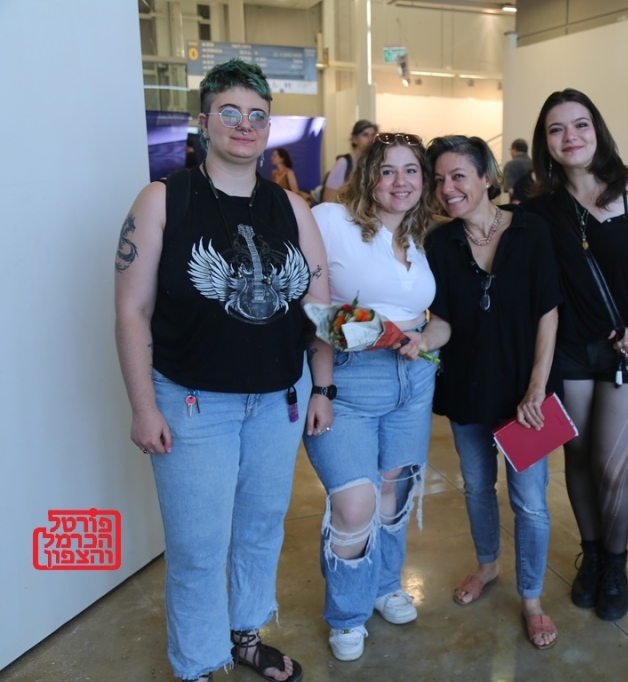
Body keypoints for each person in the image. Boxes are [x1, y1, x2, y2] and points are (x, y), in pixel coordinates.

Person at [114, 58, 334, 682]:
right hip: (191, 402)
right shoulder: (164, 199)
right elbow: (131, 310)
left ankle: (244, 636)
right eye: (230, 112)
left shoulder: (293, 207)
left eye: (258, 115)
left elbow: (320, 310)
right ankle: (197, 662)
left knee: (260, 528)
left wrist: (322, 386)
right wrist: (143, 406)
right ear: (204, 121)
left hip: (278, 401)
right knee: (197, 544)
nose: (245, 124)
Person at [522, 89, 628, 622]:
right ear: (545, 142)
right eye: (556, 129)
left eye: (580, 124)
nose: (570, 136)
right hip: (570, 352)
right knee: (576, 458)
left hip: (626, 349)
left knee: (611, 466)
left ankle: (616, 566)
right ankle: (592, 556)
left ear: (597, 129)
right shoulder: (540, 209)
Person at [303, 131, 439, 663]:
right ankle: (347, 613)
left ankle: (384, 586)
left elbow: (437, 316)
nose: (400, 181)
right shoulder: (330, 221)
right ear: (367, 177)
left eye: (411, 170)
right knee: (354, 503)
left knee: (392, 496)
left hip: (414, 379)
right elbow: (308, 307)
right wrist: (323, 383)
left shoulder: (424, 234)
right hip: (349, 378)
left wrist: (426, 337)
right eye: (387, 170)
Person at [420, 135, 561, 649]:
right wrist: (418, 341)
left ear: (486, 177)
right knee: (478, 487)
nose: (447, 188)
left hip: (527, 395)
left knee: (531, 502)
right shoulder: (440, 243)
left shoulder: (530, 230)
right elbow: (444, 321)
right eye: (439, 180)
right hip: (467, 389)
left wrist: (536, 388)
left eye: (458, 176)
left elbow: (548, 312)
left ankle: (532, 598)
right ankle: (487, 565)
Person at [321, 119, 379, 204]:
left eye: (373, 135)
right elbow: (328, 197)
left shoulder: (376, 161)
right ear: (354, 139)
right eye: (365, 135)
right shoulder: (344, 162)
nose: (370, 139)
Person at [503, 138, 532, 203]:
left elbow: (510, 190)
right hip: (535, 204)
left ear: (515, 150)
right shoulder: (535, 164)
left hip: (518, 204)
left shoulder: (510, 165)